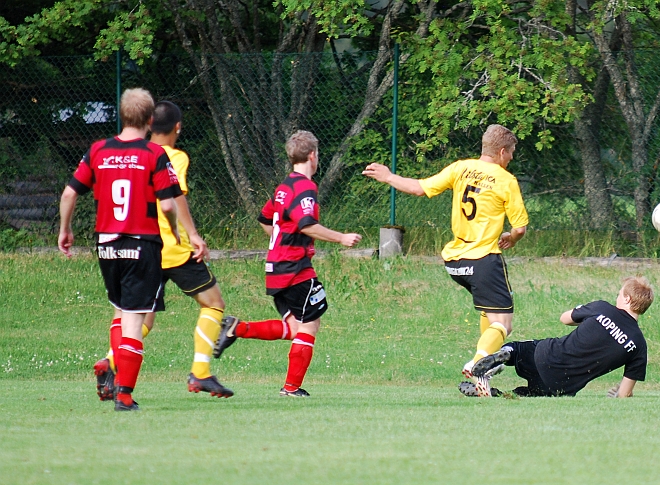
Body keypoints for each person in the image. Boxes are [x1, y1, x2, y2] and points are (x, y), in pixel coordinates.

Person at [362, 124, 529, 397]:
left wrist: (389, 176)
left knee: (489, 313)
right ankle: (477, 364)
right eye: (510, 153)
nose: (511, 159)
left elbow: (419, 188)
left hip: (455, 262)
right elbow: (519, 228)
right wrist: (512, 237)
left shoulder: (460, 168)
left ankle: (481, 382)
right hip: (484, 259)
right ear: (501, 152)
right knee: (504, 323)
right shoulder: (505, 180)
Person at [59, 88, 196, 411]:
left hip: (106, 244)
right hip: (141, 243)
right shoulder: (154, 154)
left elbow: (69, 194)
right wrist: (176, 232)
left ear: (121, 115)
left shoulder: (98, 150)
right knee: (135, 320)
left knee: (120, 311)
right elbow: (167, 205)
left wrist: (65, 229)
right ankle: (124, 395)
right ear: (150, 120)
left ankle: (112, 370)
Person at [92, 100, 234, 402]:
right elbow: (175, 195)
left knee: (140, 319)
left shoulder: (132, 154)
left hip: (137, 246)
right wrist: (194, 235)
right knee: (213, 303)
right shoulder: (172, 156)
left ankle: (110, 361)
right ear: (177, 128)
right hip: (174, 248)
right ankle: (200, 371)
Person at [212, 130, 362, 397]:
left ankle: (238, 328)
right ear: (313, 156)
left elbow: (264, 218)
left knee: (295, 326)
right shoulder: (305, 187)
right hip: (294, 268)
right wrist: (341, 238)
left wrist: (280, 242)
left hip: (276, 268)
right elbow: (307, 224)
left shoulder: (284, 187)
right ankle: (291, 388)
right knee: (310, 324)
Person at [464, 276, 654, 398]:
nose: (617, 298)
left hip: (545, 356)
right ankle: (501, 395)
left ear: (627, 299)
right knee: (528, 395)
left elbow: (564, 318)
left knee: (518, 349)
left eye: (619, 295)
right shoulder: (639, 345)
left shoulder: (601, 308)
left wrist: (584, 314)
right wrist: (621, 394)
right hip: (561, 386)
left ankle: (504, 355)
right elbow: (624, 393)